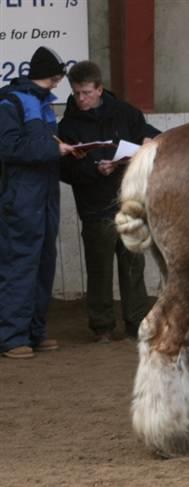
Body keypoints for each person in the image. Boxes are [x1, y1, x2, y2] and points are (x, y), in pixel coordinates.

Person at [58, 61, 160, 343]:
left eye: (86, 93)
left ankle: (136, 323)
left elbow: (150, 136)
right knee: (99, 269)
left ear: (99, 89)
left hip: (129, 202)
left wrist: (149, 142)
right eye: (77, 93)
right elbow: (64, 170)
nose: (81, 99)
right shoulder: (68, 125)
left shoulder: (126, 114)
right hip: (94, 206)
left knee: (133, 267)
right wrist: (93, 170)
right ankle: (102, 326)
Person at [0, 46, 80, 359]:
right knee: (19, 263)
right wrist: (53, 151)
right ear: (44, 76)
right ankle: (11, 337)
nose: (56, 85)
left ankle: (35, 331)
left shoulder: (42, 103)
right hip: (21, 195)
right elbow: (9, 147)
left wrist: (62, 149)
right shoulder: (10, 102)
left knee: (43, 261)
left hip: (44, 193)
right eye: (54, 79)